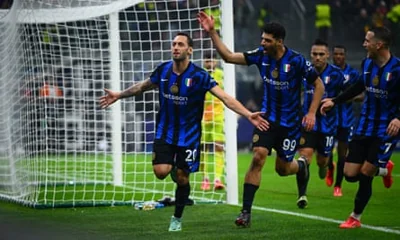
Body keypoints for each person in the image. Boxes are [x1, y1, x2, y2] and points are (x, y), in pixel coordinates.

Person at [99, 32, 269, 232]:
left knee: (182, 178)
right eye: (173, 44)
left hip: (189, 137)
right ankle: (172, 166)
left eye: (180, 44)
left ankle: (177, 218)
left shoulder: (199, 75)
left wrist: (249, 114)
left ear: (190, 50)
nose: (175, 47)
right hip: (165, 132)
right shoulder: (163, 70)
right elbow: (142, 87)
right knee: (161, 172)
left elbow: (225, 98)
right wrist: (119, 94)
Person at [198, 12, 325, 227]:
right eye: (262, 38)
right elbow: (229, 57)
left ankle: (301, 166)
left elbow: (319, 85)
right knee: (258, 157)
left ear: (279, 41)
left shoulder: (296, 61)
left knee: (282, 169)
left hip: (290, 125)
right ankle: (245, 212)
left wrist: (312, 113)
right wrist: (212, 33)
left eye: (267, 40)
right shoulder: (260, 55)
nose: (262, 43)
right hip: (266, 119)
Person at [320, 26, 399, 229]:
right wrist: (334, 101)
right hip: (363, 126)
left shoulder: (397, 70)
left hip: (385, 131)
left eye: (367, 41)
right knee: (349, 174)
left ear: (378, 44)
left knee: (365, 175)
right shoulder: (366, 64)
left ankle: (355, 217)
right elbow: (358, 87)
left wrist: (398, 118)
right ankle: (384, 168)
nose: (364, 44)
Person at [295, 39, 345, 209]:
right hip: (308, 123)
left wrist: (336, 100)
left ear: (327, 55)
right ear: (310, 54)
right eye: (315, 54)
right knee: (304, 158)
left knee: (321, 163)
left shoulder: (337, 75)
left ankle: (328, 164)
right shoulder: (303, 73)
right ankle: (302, 195)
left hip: (328, 126)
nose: (318, 57)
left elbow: (356, 93)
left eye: (321, 54)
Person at [325, 45, 361, 197]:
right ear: (332, 56)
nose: (338, 56)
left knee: (342, 155)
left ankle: (338, 186)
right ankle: (330, 167)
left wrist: (344, 98)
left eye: (341, 54)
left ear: (345, 56)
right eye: (336, 54)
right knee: (326, 153)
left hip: (346, 120)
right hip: (329, 119)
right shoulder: (328, 72)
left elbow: (361, 96)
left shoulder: (352, 74)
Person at [200, 52, 225, 191]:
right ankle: (205, 179)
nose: (210, 63)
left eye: (212, 61)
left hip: (218, 117)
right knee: (203, 148)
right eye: (207, 61)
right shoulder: (199, 75)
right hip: (202, 117)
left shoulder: (222, 74)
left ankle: (218, 179)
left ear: (216, 62)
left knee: (219, 147)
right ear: (204, 62)